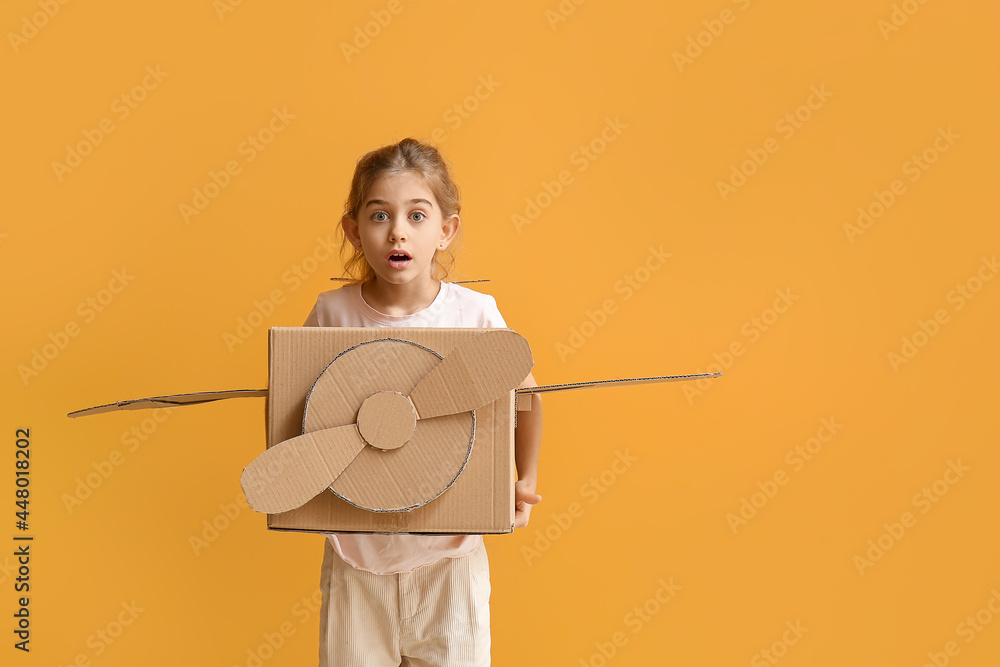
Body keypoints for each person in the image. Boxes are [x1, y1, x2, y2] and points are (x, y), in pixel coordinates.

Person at [303, 137, 543, 666]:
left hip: (449, 561)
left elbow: (526, 398)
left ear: (445, 230)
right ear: (353, 230)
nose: (398, 231)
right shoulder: (332, 313)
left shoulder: (474, 316)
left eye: (416, 215)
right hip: (356, 560)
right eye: (379, 215)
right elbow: (302, 412)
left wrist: (523, 480)